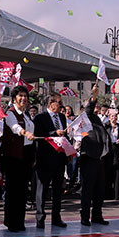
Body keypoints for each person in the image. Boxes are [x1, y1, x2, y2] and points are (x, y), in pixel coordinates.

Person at [0, 85, 35, 232]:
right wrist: (24, 132)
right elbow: (14, 127)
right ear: (14, 98)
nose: (23, 98)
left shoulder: (26, 114)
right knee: (13, 190)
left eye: (25, 96)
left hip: (26, 154)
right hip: (13, 156)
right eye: (20, 96)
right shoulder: (10, 113)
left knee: (22, 191)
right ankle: (11, 222)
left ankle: (20, 221)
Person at [33, 92, 69, 229]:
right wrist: (54, 133)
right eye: (59, 103)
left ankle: (56, 217)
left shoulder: (61, 117)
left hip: (59, 159)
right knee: (42, 189)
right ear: (51, 103)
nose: (61, 106)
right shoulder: (40, 118)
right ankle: (40, 217)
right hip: (45, 159)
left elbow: (64, 136)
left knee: (58, 189)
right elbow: (38, 135)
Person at [78, 86, 110, 226]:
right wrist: (94, 95)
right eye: (93, 105)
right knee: (88, 189)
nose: (96, 107)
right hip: (89, 157)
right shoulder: (86, 116)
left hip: (99, 159)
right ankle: (85, 216)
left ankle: (97, 215)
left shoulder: (97, 119)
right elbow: (89, 108)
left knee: (99, 189)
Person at [107, 109, 119, 200]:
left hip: (118, 150)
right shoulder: (106, 126)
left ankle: (117, 194)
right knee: (108, 172)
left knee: (118, 173)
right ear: (109, 117)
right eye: (112, 116)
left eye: (115, 116)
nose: (113, 118)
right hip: (108, 150)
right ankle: (108, 193)